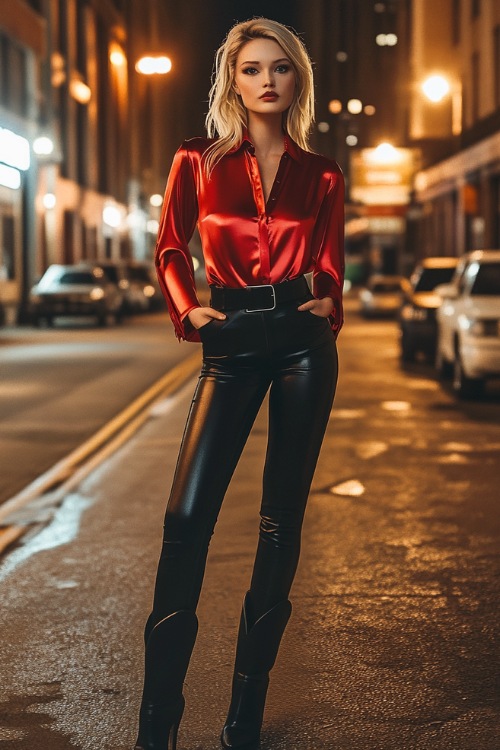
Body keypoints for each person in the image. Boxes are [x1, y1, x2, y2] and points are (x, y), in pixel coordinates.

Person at [134, 17, 344, 750]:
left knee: (280, 525)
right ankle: (156, 728)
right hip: (228, 344)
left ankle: (242, 723)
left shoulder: (322, 173)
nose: (267, 80)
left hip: (301, 346)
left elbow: (332, 262)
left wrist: (329, 302)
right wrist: (189, 309)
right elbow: (169, 242)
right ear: (233, 79)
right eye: (253, 68)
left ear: (296, 82)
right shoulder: (196, 159)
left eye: (281, 68)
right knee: (186, 522)